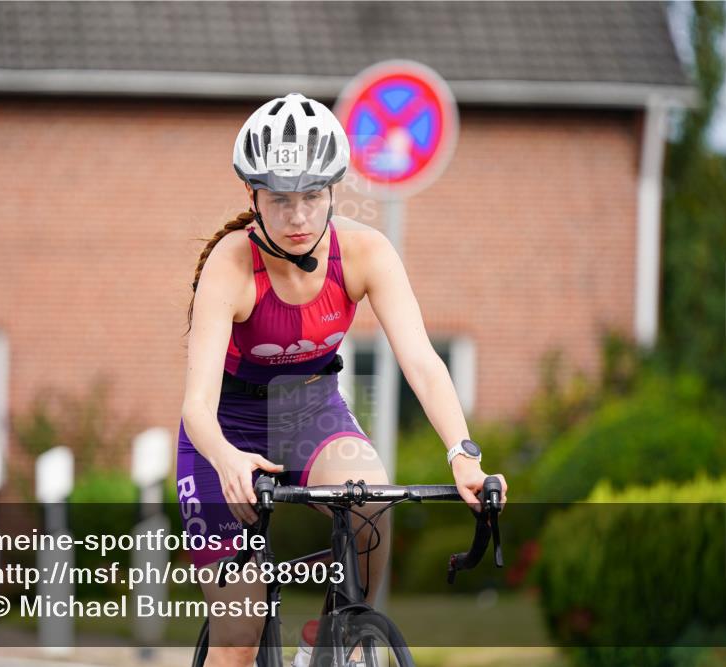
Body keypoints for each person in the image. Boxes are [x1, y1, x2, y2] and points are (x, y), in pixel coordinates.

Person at [177, 92, 508, 666]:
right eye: (280, 199)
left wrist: (463, 454)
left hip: (311, 412)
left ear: (333, 191)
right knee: (237, 641)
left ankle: (334, 641)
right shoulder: (230, 266)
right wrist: (228, 460)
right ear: (252, 195)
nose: (298, 216)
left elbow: (423, 363)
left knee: (370, 498)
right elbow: (197, 407)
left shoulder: (364, 253)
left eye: (311, 196)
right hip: (225, 434)